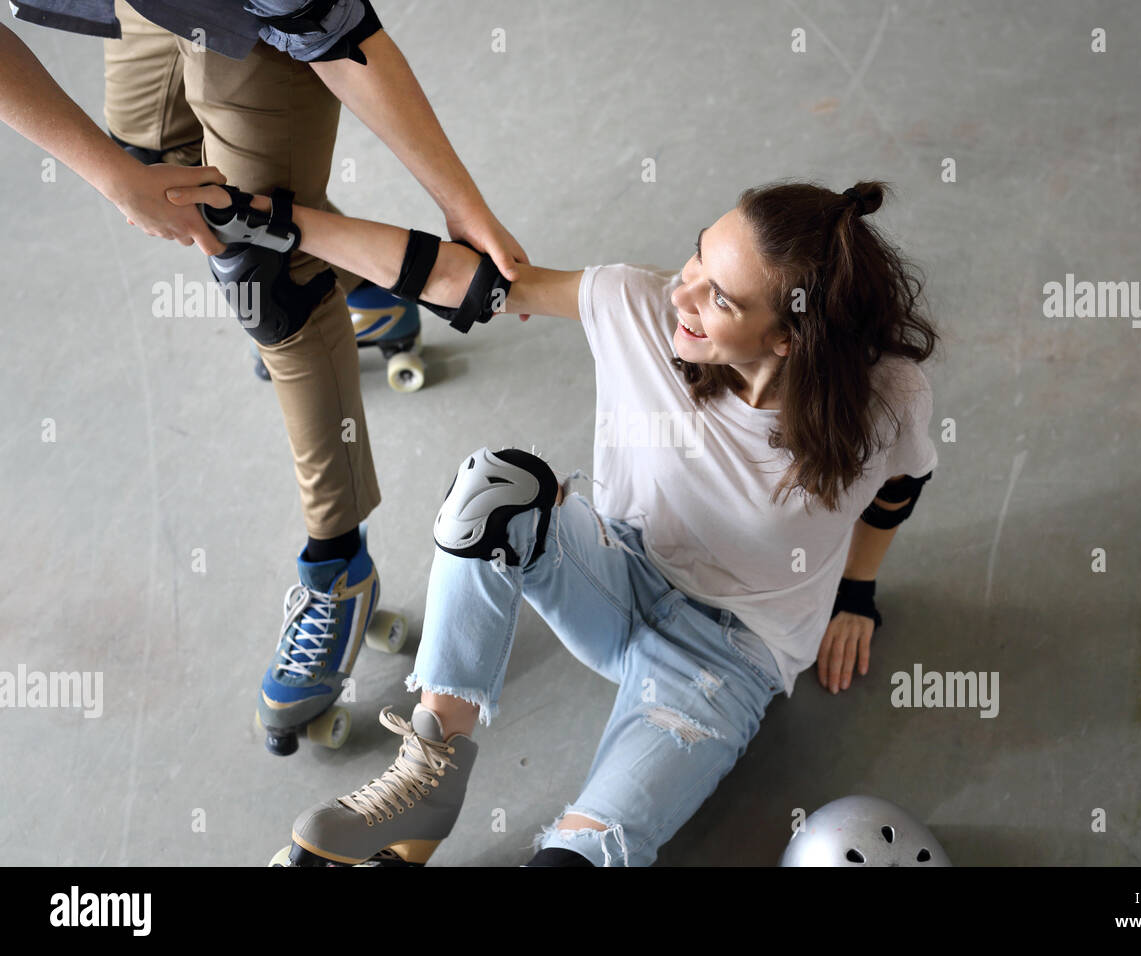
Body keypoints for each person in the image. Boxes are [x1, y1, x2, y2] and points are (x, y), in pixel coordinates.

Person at [180, 176, 941, 866]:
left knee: (583, 858)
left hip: (730, 661)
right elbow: (455, 276)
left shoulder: (886, 399)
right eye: (697, 260)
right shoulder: (635, 304)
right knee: (495, 487)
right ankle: (427, 780)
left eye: (720, 299)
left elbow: (894, 491)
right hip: (613, 570)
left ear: (789, 336)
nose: (682, 293)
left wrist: (856, 594)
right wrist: (266, 220)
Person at [2, 1, 531, 756]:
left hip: (249, 14)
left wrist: (461, 206)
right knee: (157, 162)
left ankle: (339, 568)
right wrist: (113, 174)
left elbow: (345, 43)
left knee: (265, 272)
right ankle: (361, 294)